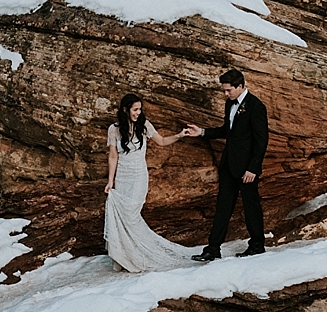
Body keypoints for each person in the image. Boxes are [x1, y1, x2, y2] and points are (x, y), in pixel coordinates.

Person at [104, 93, 197, 272]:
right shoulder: (114, 129)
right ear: (125, 110)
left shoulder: (144, 125)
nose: (138, 112)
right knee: (123, 215)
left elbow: (161, 141)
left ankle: (138, 255)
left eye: (140, 109)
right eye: (135, 109)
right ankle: (123, 255)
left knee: (131, 215)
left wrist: (179, 135)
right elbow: (113, 156)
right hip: (123, 176)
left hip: (139, 176)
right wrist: (110, 181)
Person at [185, 69, 269, 261]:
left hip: (247, 169)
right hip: (228, 165)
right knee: (222, 207)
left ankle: (257, 245)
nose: (225, 94)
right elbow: (227, 131)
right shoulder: (230, 104)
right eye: (224, 90)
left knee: (251, 207)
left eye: (228, 90)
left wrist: (253, 168)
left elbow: (261, 140)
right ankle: (213, 249)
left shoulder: (256, 106)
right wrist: (203, 132)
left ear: (240, 86)